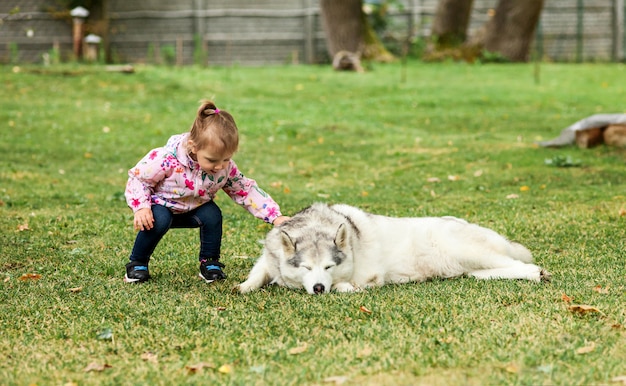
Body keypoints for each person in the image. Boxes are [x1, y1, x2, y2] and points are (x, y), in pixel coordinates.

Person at [123, 100, 290, 283]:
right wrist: (141, 207)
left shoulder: (224, 168)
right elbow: (138, 178)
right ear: (194, 146)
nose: (219, 166)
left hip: (195, 208)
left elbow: (245, 190)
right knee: (159, 220)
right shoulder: (165, 159)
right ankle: (138, 262)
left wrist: (275, 216)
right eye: (212, 160)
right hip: (161, 207)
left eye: (226, 159)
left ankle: (210, 262)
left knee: (212, 215)